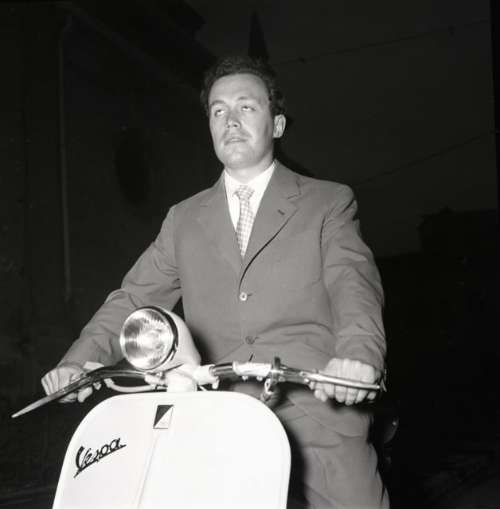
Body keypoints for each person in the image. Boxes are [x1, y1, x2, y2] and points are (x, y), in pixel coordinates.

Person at [42, 55, 388, 508]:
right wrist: (77, 363)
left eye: (246, 107)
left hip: (317, 410)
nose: (230, 120)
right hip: (218, 418)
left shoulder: (327, 202)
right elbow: (133, 296)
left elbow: (353, 286)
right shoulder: (183, 219)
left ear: (277, 124)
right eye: (218, 111)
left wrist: (358, 358)